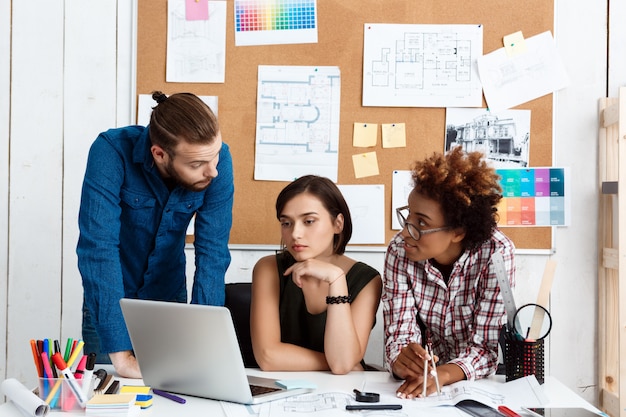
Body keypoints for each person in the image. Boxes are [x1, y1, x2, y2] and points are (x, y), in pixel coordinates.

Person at [77, 91, 234, 378]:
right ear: (159, 153)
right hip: (111, 303)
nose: (213, 171)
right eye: (197, 165)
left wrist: (204, 338)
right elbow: (98, 248)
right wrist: (121, 355)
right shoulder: (110, 152)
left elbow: (212, 252)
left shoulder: (216, 161)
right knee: (108, 398)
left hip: (168, 303)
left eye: (215, 156)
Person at [383, 146, 515, 398]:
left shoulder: (496, 253)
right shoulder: (399, 251)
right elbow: (398, 335)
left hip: (475, 386)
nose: (404, 233)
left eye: (421, 223)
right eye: (408, 215)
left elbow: (486, 349)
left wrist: (441, 374)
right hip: (417, 386)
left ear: (458, 232)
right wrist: (404, 359)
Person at [250, 175, 382, 375]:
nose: (295, 234)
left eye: (309, 221)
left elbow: (342, 364)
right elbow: (268, 357)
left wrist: (336, 279)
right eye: (286, 223)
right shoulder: (268, 268)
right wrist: (339, 362)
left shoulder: (367, 280)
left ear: (338, 224)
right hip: (281, 393)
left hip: (343, 393)